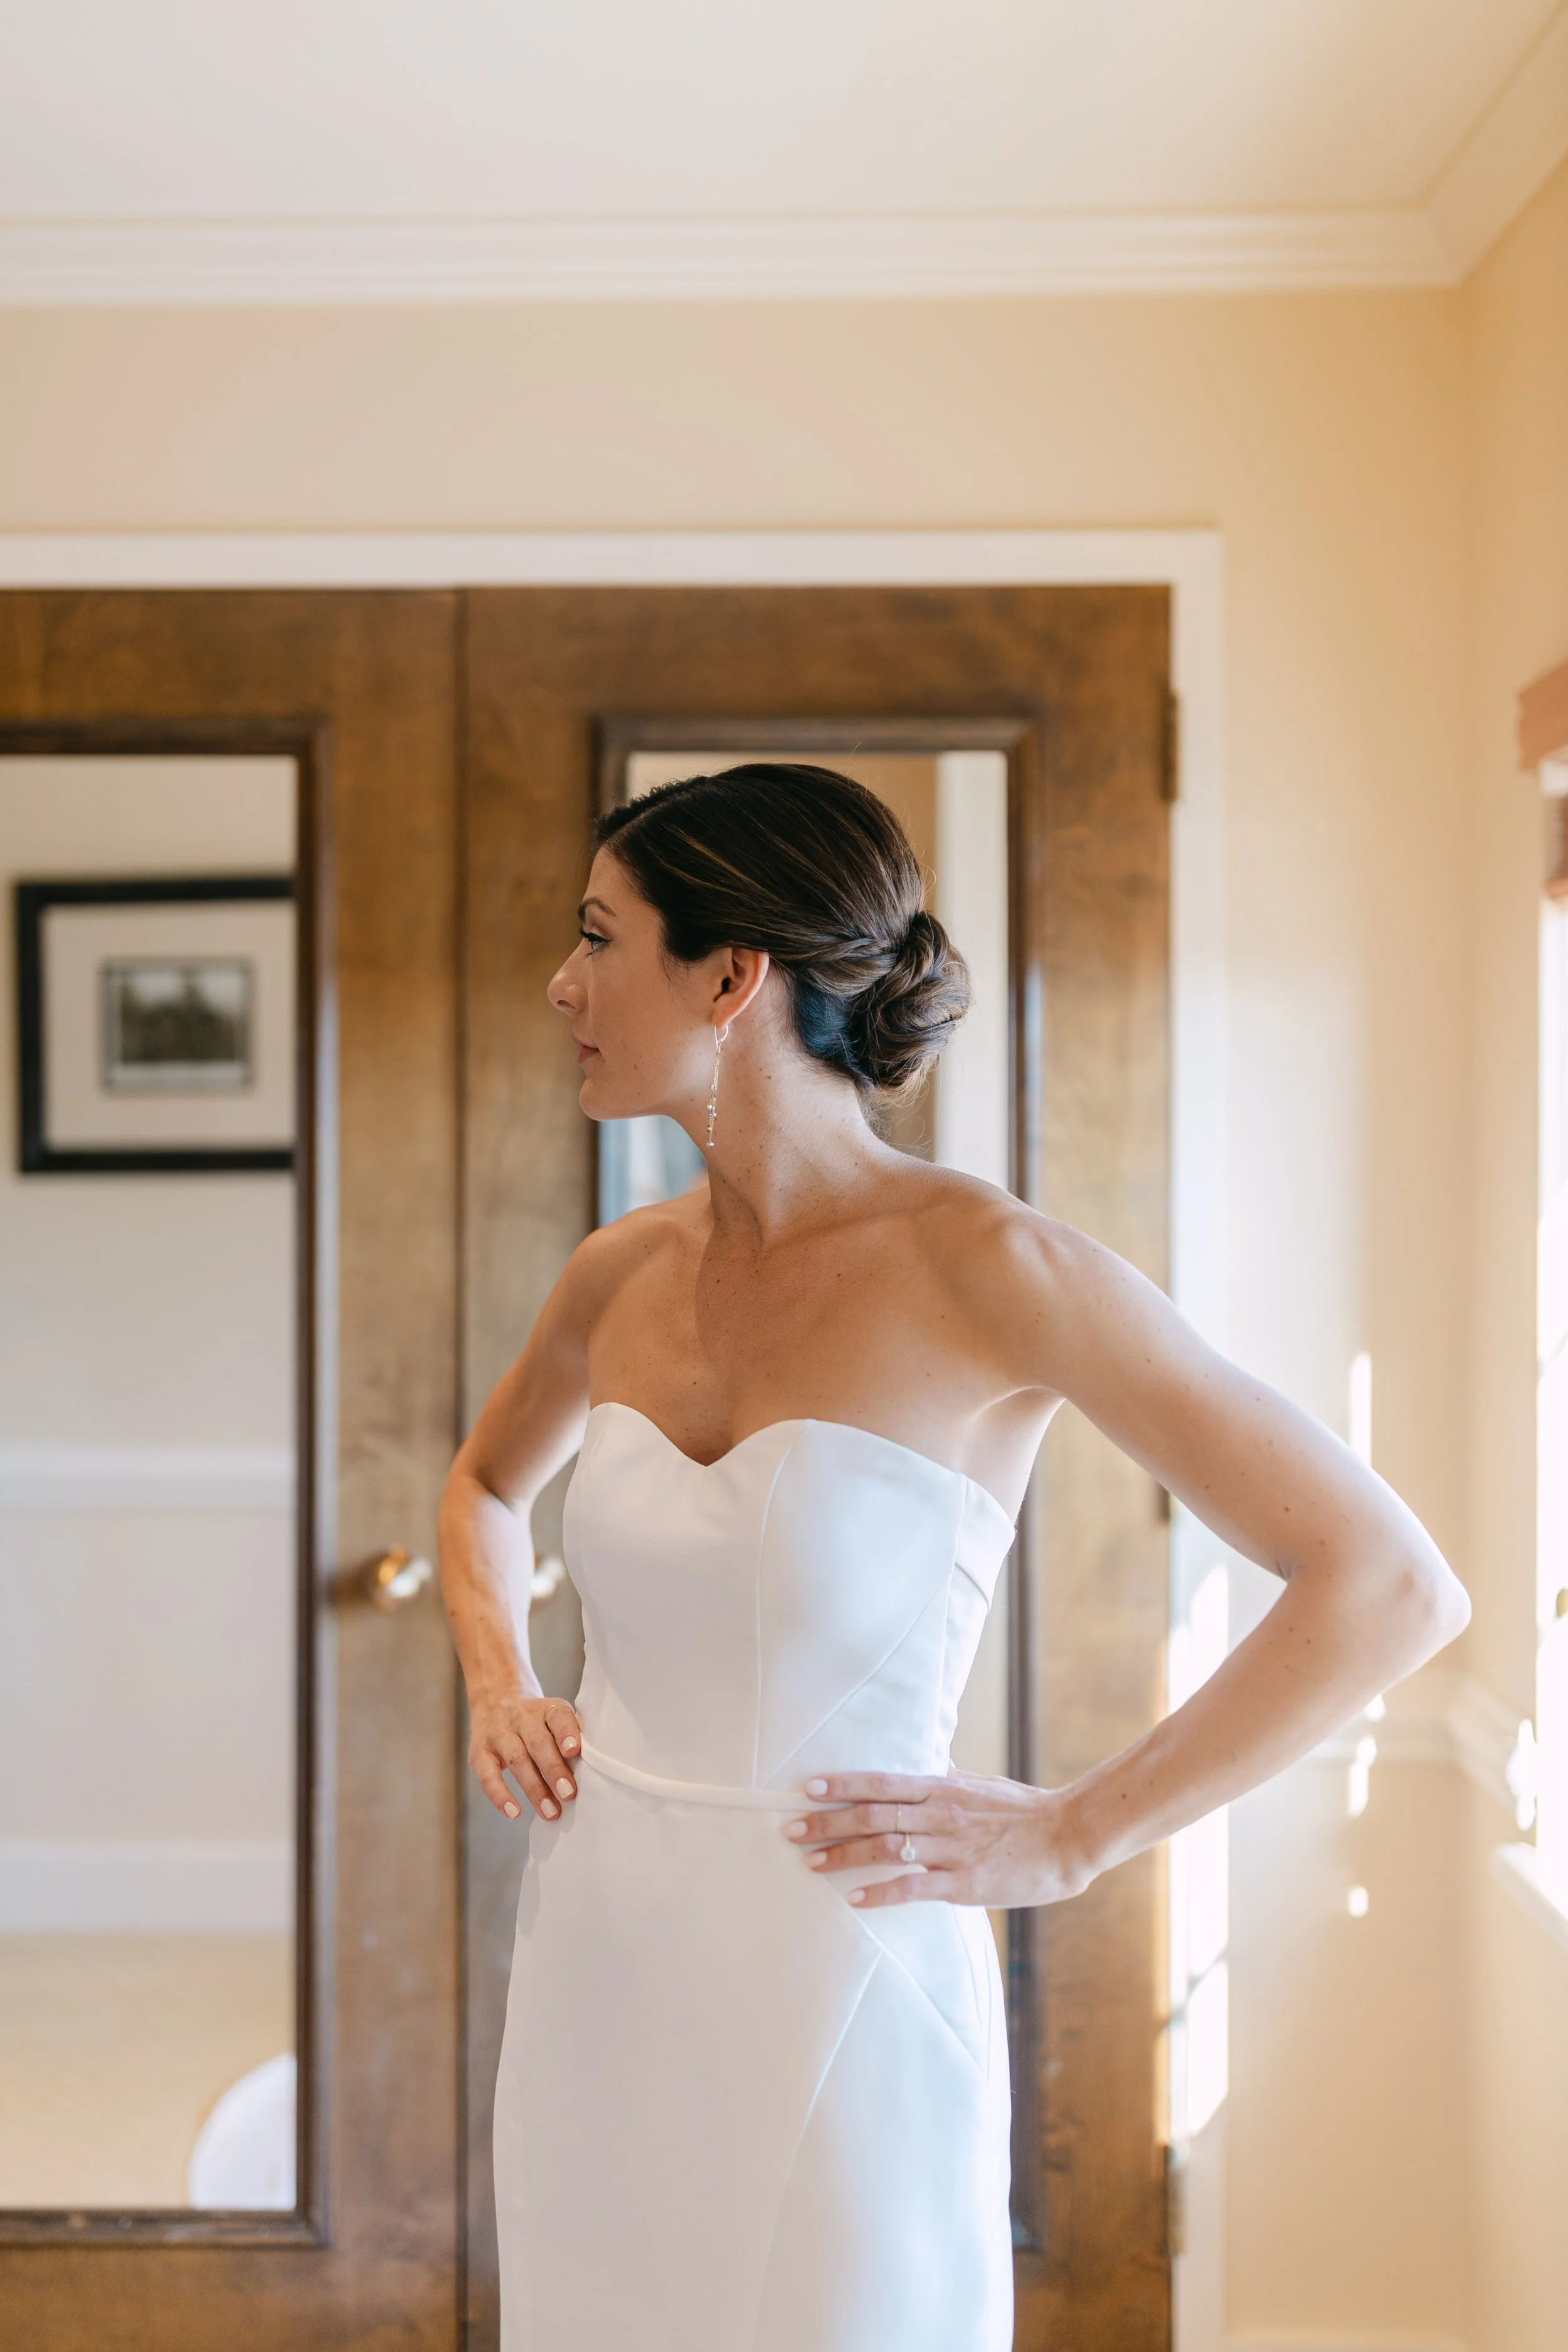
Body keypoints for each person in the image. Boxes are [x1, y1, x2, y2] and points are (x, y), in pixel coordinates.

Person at [437, 763, 1468, 2352]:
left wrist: (1072, 1836)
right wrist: (502, 1677)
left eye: (599, 937)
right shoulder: (614, 1274)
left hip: (843, 1970)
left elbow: (1385, 1583)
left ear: (729, 977)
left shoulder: (1003, 1273)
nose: (563, 984)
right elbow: (486, 1489)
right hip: (600, 1967)